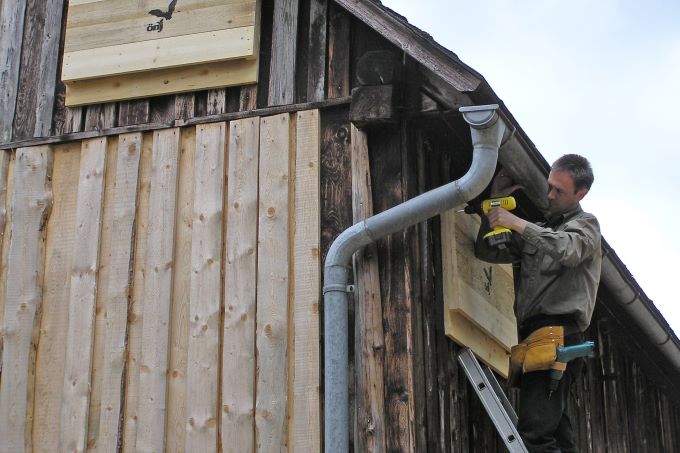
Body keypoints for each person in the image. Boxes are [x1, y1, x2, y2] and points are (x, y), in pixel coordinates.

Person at [475, 154, 602, 452]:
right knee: (557, 436)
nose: (550, 194)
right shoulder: (539, 231)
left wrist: (516, 221)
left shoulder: (586, 226)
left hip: (557, 337)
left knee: (534, 437)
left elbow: (567, 250)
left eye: (559, 190)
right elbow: (490, 252)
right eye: (550, 186)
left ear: (580, 194)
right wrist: (495, 204)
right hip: (535, 339)